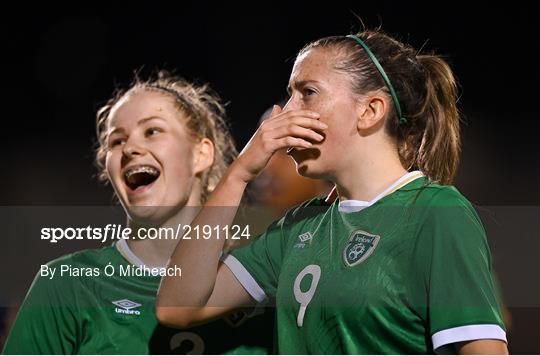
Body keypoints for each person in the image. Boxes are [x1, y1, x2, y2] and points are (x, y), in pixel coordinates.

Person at [156, 30, 509, 354]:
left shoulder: (434, 212)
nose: (284, 114)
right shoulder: (300, 227)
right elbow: (177, 307)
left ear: (369, 111)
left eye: (307, 94)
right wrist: (237, 176)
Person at [2, 72, 273, 354]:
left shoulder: (256, 284)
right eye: (116, 141)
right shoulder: (65, 285)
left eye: (152, 131)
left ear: (201, 154)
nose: (130, 148)